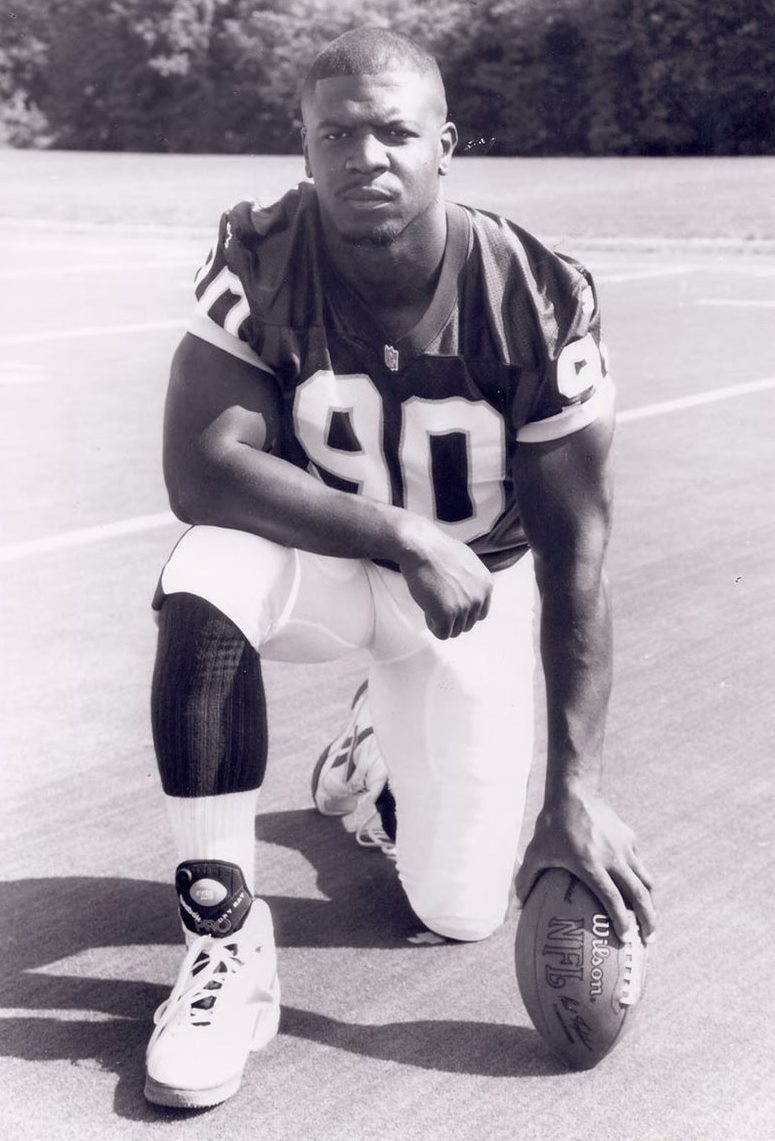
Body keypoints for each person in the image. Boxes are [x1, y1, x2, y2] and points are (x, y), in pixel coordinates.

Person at [144, 26, 656, 1109]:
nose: (366, 156)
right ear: (304, 145)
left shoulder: (537, 294)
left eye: (393, 132)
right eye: (337, 133)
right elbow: (201, 468)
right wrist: (404, 533)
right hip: (340, 563)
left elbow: (578, 559)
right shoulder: (262, 253)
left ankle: (376, 750)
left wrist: (575, 791)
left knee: (458, 910)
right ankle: (223, 939)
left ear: (444, 145)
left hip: (476, 600)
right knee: (205, 573)